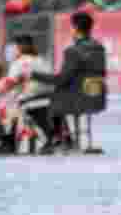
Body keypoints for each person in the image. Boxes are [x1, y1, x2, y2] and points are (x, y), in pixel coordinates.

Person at [29, 11, 107, 151]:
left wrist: (34, 75)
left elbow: (61, 79)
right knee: (58, 96)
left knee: (44, 101)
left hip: (77, 99)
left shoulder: (73, 51)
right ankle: (64, 138)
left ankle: (56, 139)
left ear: (75, 28)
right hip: (96, 97)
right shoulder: (99, 48)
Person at [0, 35, 54, 153]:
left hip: (31, 99)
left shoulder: (21, 62)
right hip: (47, 97)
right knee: (10, 102)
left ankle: (6, 141)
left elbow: (6, 85)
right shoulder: (41, 60)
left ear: (20, 47)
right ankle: (9, 140)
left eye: (15, 47)